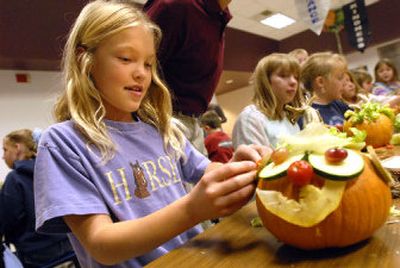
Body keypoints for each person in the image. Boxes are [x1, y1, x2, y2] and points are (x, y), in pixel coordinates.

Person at [33, 1, 270, 267]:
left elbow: (209, 173)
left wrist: (241, 168)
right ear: (84, 59)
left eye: (148, 64)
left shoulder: (162, 129)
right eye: (126, 59)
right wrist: (192, 210)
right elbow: (101, 244)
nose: (141, 74)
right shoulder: (63, 144)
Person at [143, 0, 232, 156]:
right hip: (159, 121)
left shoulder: (219, 15)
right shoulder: (175, 5)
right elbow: (137, 66)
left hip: (193, 123)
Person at [0, 129, 76, 267]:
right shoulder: (53, 170)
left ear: (17, 148)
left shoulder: (15, 179)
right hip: (70, 246)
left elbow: (8, 220)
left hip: (37, 255)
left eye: (5, 150)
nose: (3, 157)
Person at [232, 53, 305, 149]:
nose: (293, 82)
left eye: (296, 77)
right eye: (283, 75)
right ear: (265, 81)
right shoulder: (251, 118)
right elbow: (258, 162)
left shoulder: (290, 120)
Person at [301, 52, 350, 128]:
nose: (345, 83)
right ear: (320, 82)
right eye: (340, 78)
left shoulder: (338, 104)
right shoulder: (308, 114)